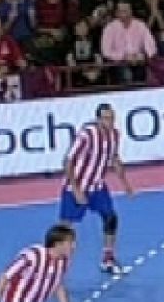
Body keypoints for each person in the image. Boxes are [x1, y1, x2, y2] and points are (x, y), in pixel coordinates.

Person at [58, 103, 136, 275]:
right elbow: (68, 161)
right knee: (66, 226)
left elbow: (114, 158)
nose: (110, 122)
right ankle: (54, 262)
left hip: (97, 186)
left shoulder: (114, 135)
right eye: (106, 118)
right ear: (98, 119)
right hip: (76, 186)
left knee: (111, 217)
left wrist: (126, 184)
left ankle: (108, 258)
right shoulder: (86, 135)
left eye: (112, 118)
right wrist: (76, 190)